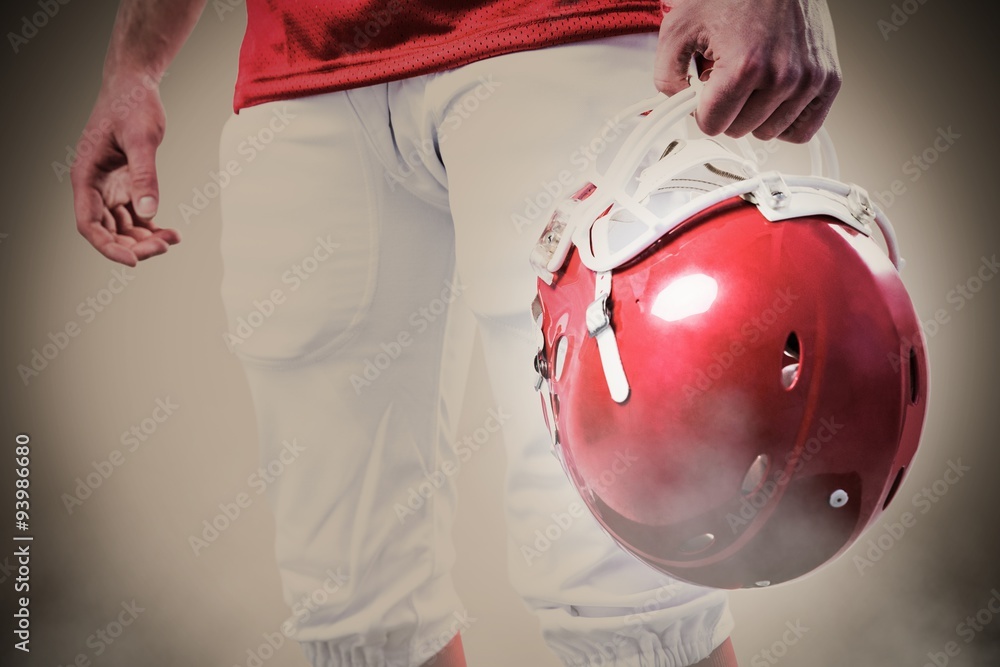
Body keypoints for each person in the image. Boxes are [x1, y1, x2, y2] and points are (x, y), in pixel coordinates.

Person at [70, 2, 842, 666]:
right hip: (297, 71)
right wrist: (132, 67)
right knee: (352, 604)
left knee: (628, 580)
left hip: (561, 29)